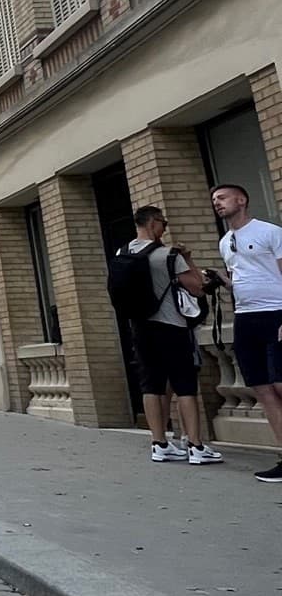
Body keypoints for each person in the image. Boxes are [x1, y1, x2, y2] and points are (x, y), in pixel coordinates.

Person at [110, 205, 220, 464]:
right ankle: (195, 446)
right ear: (153, 223)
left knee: (151, 385)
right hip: (171, 326)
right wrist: (188, 259)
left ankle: (159, 443)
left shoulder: (121, 253)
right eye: (164, 224)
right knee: (185, 386)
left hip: (139, 327)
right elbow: (198, 288)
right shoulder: (169, 255)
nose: (164, 229)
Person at [212, 182, 282, 478]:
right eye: (214, 200)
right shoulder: (225, 241)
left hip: (275, 314)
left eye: (222, 198)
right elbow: (242, 279)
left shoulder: (269, 232)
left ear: (241, 200)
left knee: (280, 385)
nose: (217, 203)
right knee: (262, 390)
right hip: (245, 318)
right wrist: (221, 281)